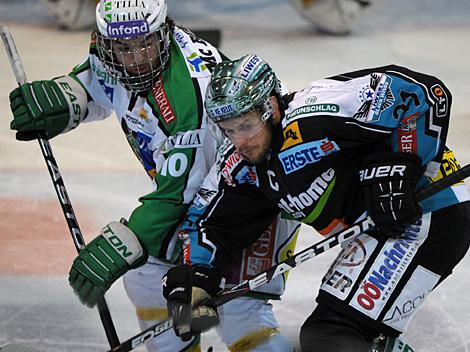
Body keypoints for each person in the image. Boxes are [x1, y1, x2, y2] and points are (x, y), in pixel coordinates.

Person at [8, 1, 300, 351]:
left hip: (256, 191)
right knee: (148, 277)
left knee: (237, 306)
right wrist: (71, 96)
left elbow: (178, 194)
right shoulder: (111, 53)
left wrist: (124, 243)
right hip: (201, 196)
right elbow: (103, 86)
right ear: (106, 42)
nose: (136, 58)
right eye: (124, 49)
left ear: (166, 31)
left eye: (146, 44)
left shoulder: (188, 92)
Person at [162, 54, 470, 351]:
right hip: (379, 231)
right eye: (229, 130)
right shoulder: (244, 165)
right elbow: (207, 221)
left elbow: (423, 94)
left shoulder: (317, 110)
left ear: (270, 106)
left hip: (430, 208)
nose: (239, 141)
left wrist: (401, 164)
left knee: (333, 336)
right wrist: (193, 275)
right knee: (331, 335)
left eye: (246, 125)